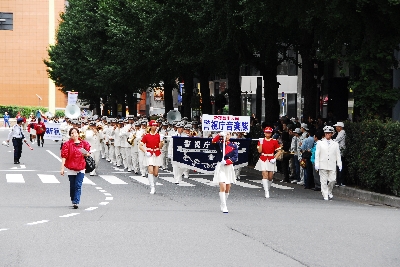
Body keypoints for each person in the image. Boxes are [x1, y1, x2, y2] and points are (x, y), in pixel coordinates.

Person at [60, 127, 91, 209]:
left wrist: (86, 154)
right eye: (72, 133)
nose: (74, 134)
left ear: (78, 133)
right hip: (71, 168)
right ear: (70, 135)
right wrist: (62, 168)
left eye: (75, 132)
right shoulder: (67, 144)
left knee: (78, 185)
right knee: (72, 185)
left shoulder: (84, 143)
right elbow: (64, 156)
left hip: (81, 167)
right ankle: (73, 199)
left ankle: (76, 201)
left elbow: (88, 153)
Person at [212, 132, 238, 213]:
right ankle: (224, 205)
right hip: (221, 167)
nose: (226, 136)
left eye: (228, 134)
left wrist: (227, 161)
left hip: (228, 166)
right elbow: (213, 141)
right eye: (225, 134)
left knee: (227, 187)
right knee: (222, 185)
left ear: (230, 135)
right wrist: (219, 135)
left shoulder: (233, 145)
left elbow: (235, 157)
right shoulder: (219, 144)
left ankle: (224, 202)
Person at [314, 126, 342, 201]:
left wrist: (339, 164)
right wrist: (317, 164)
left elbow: (338, 155)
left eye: (329, 133)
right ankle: (325, 194)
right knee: (323, 181)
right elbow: (317, 154)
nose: (327, 134)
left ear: (332, 134)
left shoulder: (335, 144)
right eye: (326, 133)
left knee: (332, 180)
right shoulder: (320, 143)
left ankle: (329, 191)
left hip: (332, 164)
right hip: (323, 164)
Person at [254, 127, 281, 198]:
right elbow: (259, 151)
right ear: (264, 133)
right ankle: (266, 191)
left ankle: (268, 188)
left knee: (270, 177)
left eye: (269, 132)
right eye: (266, 132)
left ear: (271, 133)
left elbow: (279, 151)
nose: (267, 133)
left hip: (271, 158)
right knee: (264, 174)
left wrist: (275, 158)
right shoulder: (261, 140)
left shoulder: (274, 141)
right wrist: (261, 143)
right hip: (263, 158)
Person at [139, 120, 164, 194]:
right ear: (150, 126)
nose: (155, 127)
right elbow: (140, 145)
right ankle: (152, 187)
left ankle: (154, 184)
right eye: (153, 125)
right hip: (149, 153)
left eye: (156, 125)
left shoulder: (159, 136)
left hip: (156, 153)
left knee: (156, 173)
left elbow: (160, 147)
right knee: (150, 170)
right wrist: (145, 151)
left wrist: (161, 141)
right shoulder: (146, 136)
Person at [333, 122, 346, 186]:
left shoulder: (342, 132)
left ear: (340, 127)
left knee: (340, 167)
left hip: (341, 152)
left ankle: (340, 181)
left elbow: (337, 140)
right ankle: (338, 181)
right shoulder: (339, 133)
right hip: (338, 152)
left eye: (337, 127)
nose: (336, 128)